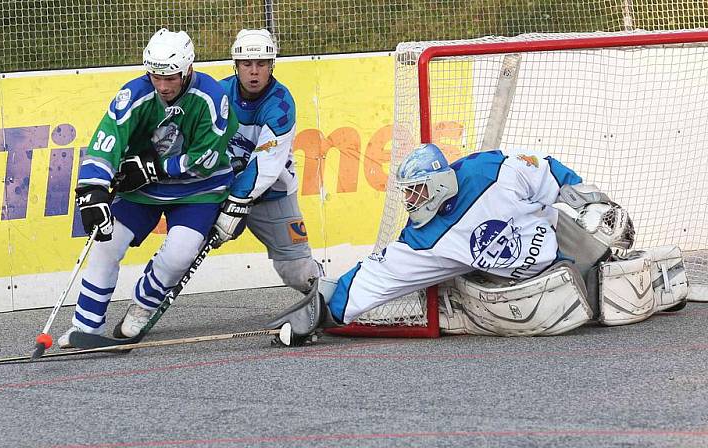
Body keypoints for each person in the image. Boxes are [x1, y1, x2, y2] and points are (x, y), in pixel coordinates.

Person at [266, 143, 689, 344]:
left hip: (568, 243)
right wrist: (321, 309)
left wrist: (585, 197)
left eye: (414, 191)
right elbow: (374, 279)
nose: (409, 201)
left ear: (435, 184)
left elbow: (551, 173)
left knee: (615, 266)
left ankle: (643, 276)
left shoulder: (491, 170)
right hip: (533, 284)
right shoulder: (423, 239)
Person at [58, 28, 239, 347]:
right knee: (105, 244)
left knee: (180, 255)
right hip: (142, 190)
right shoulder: (134, 94)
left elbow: (207, 158)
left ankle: (144, 304)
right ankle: (85, 328)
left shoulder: (212, 97)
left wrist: (154, 167)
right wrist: (93, 190)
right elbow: (106, 140)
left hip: (199, 190)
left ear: (188, 70)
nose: (163, 85)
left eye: (171, 77)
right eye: (156, 76)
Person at [213, 29, 322, 294]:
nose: (253, 72)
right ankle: (146, 304)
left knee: (298, 272)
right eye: (247, 64)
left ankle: (329, 305)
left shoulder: (281, 104)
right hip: (221, 190)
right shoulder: (217, 93)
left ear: (271, 65)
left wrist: (235, 205)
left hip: (273, 195)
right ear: (236, 65)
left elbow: (265, 165)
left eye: (261, 64)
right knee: (184, 247)